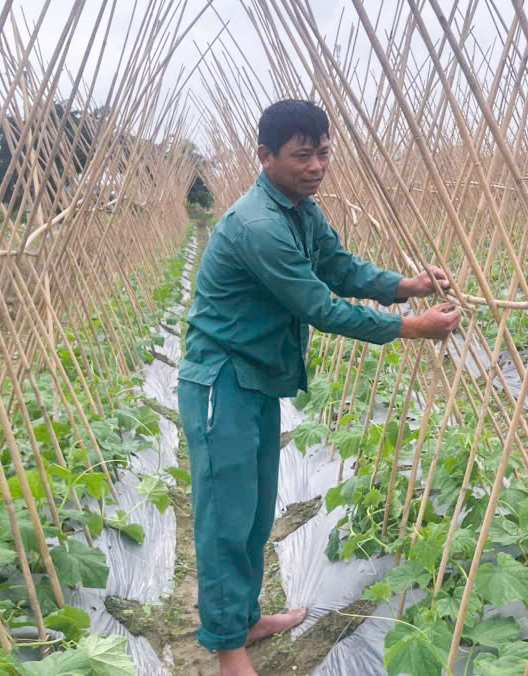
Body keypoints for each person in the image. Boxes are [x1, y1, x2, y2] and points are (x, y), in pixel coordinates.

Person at [177, 99, 461, 676]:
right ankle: (229, 652)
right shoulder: (258, 225)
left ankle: (246, 618)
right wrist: (410, 328)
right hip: (221, 383)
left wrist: (405, 286)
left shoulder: (301, 211)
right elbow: (319, 305)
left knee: (256, 514)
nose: (317, 165)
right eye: (302, 155)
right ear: (266, 157)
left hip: (253, 380)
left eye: (323, 152)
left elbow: (340, 267)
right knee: (226, 518)